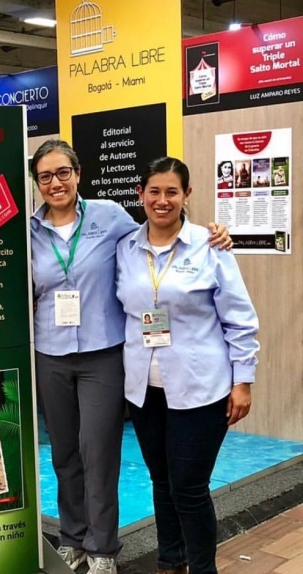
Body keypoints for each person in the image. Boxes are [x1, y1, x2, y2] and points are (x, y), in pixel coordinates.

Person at [30, 140, 231, 574]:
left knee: (99, 452)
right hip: (50, 352)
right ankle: (72, 538)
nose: (56, 182)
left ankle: (102, 548)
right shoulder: (28, 231)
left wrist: (214, 234)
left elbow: (162, 232)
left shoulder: (110, 216)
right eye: (45, 176)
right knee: (64, 453)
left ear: (78, 173)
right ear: (36, 183)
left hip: (104, 353)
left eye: (63, 172)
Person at [116, 157, 259, 574]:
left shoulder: (210, 246)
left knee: (190, 488)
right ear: (140, 194)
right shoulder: (126, 247)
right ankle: (169, 561)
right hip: (144, 388)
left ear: (187, 195)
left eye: (172, 192)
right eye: (154, 191)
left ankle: (201, 568)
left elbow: (240, 317)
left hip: (201, 388)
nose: (162, 201)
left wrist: (243, 381)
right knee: (162, 481)